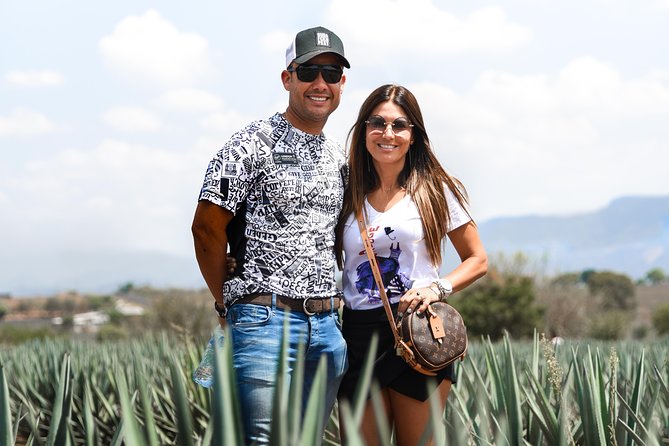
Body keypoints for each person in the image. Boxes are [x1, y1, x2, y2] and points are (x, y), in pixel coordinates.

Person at [191, 26, 350, 445]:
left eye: (331, 74)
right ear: (287, 78)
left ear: (341, 84)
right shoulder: (248, 144)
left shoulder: (339, 155)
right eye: (309, 72)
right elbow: (206, 227)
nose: (320, 83)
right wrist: (224, 301)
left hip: (327, 328)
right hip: (264, 322)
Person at [334, 84, 488, 446]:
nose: (388, 134)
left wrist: (437, 287)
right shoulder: (346, 190)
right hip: (358, 338)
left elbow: (477, 259)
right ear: (364, 130)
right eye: (378, 123)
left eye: (399, 125)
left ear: (413, 135)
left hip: (419, 333)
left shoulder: (435, 190)